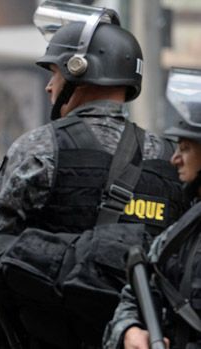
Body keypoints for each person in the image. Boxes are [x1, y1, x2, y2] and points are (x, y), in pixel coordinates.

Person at [0, 9, 186, 349]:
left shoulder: (39, 149)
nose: (50, 86)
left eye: (54, 72)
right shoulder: (169, 157)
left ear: (78, 71)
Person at [103, 68, 201, 349]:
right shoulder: (181, 233)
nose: (175, 159)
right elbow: (133, 297)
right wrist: (130, 331)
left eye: (185, 148)